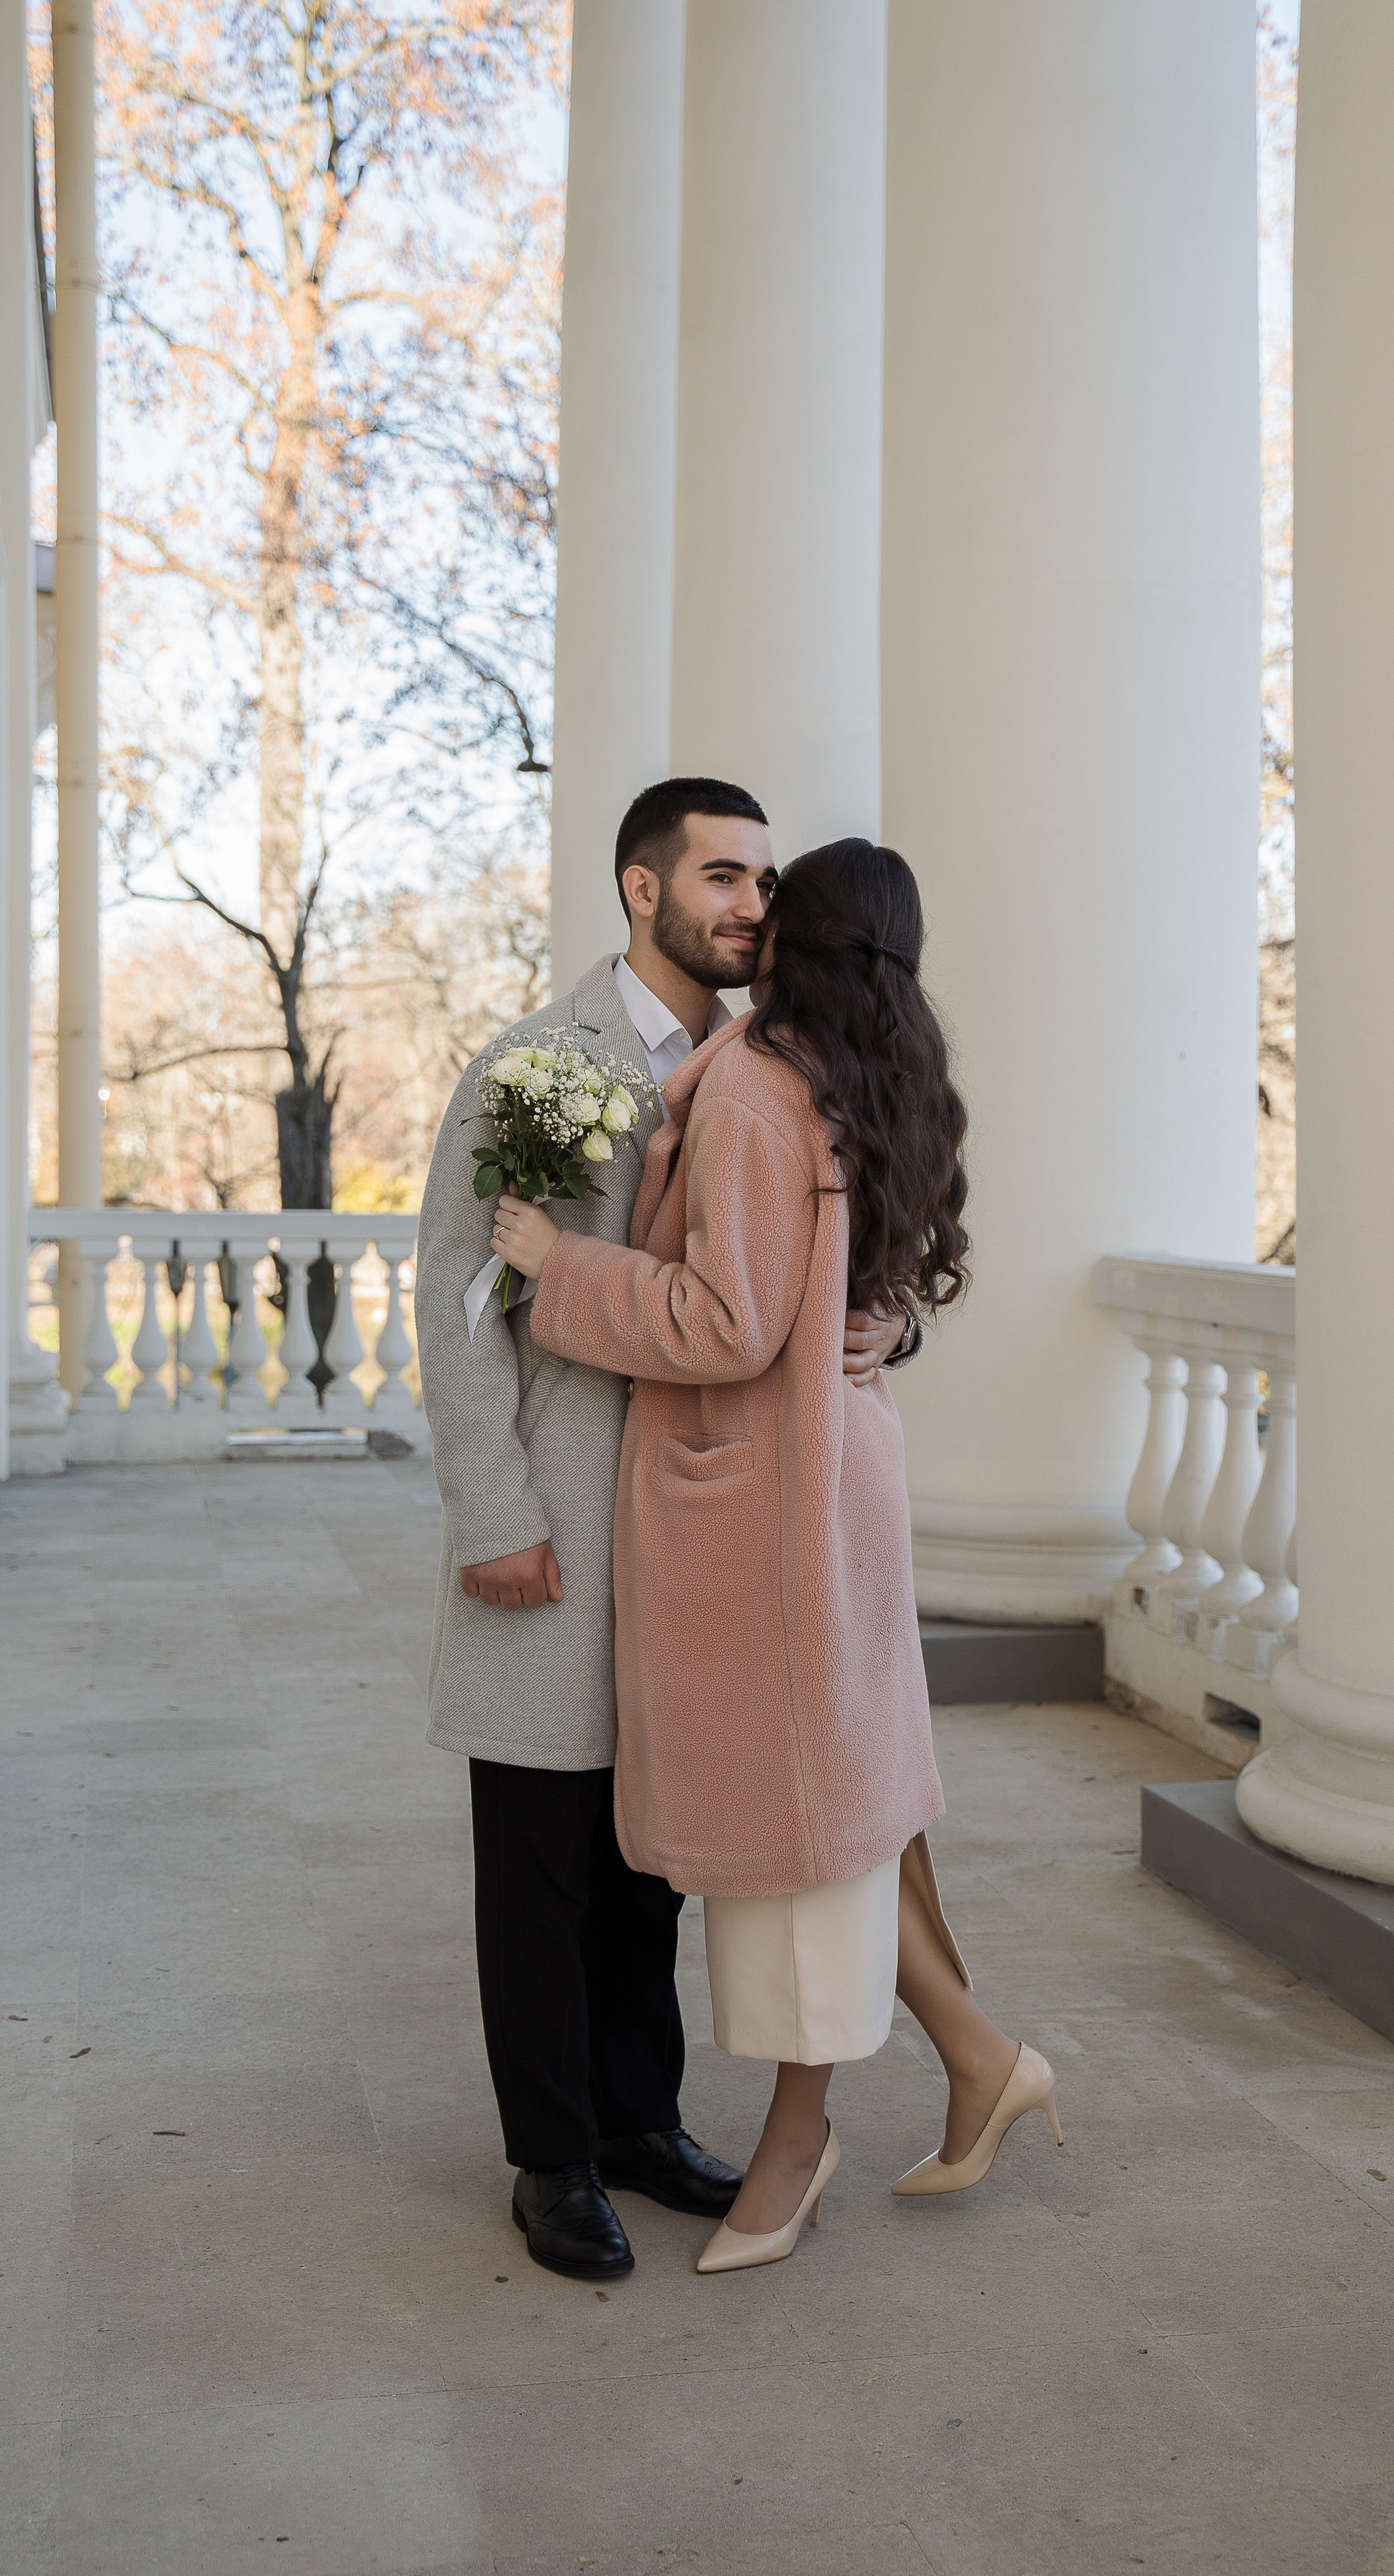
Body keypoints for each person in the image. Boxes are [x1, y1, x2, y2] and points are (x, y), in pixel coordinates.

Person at [489, 837, 1062, 2275]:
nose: (746, 913)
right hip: (837, 1479)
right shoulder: (870, 1071)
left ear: (799, 935)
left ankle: (816, 2134)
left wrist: (561, 1270)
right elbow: (845, 1285)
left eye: (767, 896)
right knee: (840, 1809)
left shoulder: (750, 1088)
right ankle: (976, 2059)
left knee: (800, 1831)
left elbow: (723, 1325)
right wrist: (876, 1332)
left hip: (762, 1504)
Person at [415, 781, 914, 2283]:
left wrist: (876, 1332)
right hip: (563, 1531)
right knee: (543, 1859)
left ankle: (640, 2119)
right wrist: (494, 1516)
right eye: (718, 875)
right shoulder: (532, 1070)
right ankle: (553, 2158)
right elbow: (456, 1305)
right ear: (641, 891)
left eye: (762, 878)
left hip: (705, 1540)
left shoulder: (774, 1064)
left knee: (657, 1858)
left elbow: (837, 1252)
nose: (749, 902)